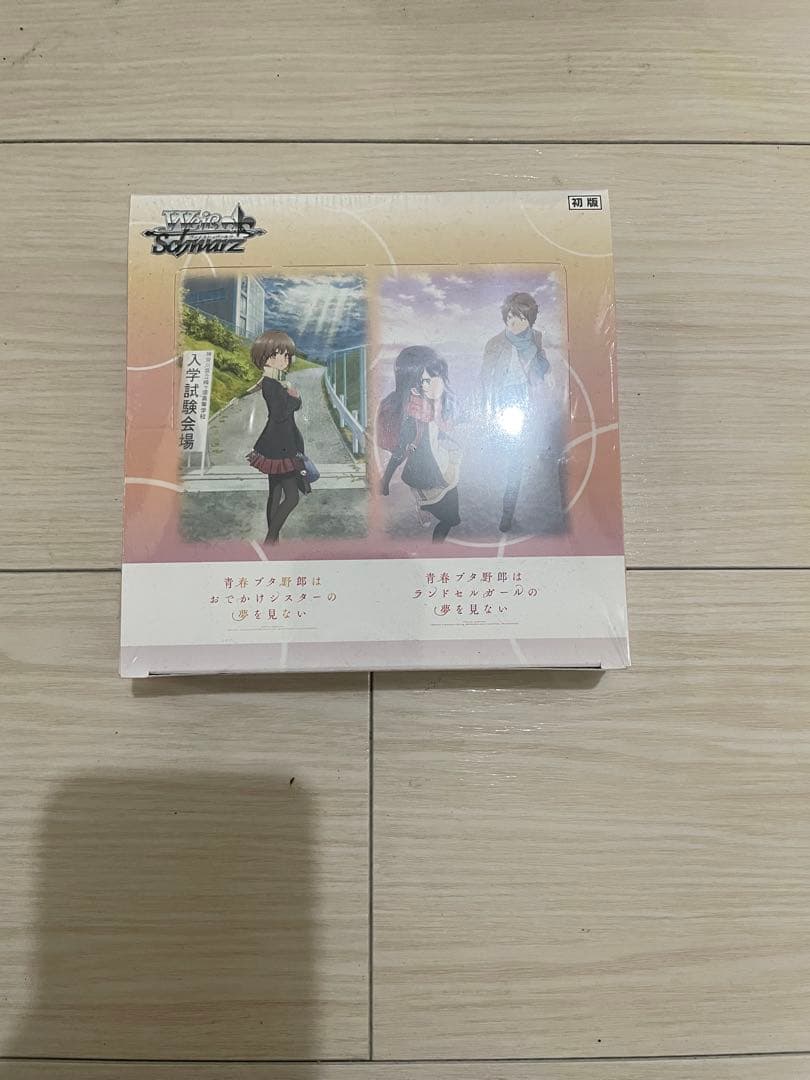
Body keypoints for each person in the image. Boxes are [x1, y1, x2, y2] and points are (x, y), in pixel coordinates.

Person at [480, 291, 551, 532]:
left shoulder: (536, 338)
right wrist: (486, 409)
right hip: (501, 401)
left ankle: (507, 513)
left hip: (526, 401)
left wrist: (541, 364)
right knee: (501, 456)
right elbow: (484, 379)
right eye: (510, 316)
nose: (514, 322)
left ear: (529, 319)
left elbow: (542, 366)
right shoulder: (495, 343)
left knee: (516, 460)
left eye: (520, 317)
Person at [379, 346, 461, 543]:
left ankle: (426, 509)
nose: (437, 384)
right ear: (413, 387)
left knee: (452, 516)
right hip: (426, 478)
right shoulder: (413, 417)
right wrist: (385, 482)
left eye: (437, 375)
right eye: (426, 380)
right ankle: (433, 543)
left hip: (442, 465)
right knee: (449, 518)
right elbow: (399, 453)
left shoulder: (436, 405)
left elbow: (440, 429)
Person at [245, 330, 308, 544]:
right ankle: (271, 538)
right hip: (281, 445)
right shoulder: (272, 384)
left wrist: (290, 393)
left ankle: (273, 540)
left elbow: (287, 408)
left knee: (275, 492)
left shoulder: (274, 381)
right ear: (264, 358)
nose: (284, 360)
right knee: (292, 497)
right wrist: (294, 396)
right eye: (278, 355)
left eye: (287, 356)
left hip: (274, 443)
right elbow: (281, 413)